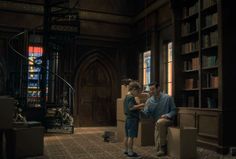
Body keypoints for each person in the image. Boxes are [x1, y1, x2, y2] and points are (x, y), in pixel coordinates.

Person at [142, 81, 176, 156]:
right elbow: (146, 115)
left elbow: (174, 111)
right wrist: (141, 110)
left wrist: (167, 115)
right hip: (157, 123)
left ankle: (162, 148)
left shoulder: (168, 98)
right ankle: (160, 147)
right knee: (159, 123)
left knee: (160, 122)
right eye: (150, 89)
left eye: (153, 89)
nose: (151, 91)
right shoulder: (149, 101)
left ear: (158, 88)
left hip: (168, 120)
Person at [123, 81, 144, 157]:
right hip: (132, 119)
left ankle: (126, 150)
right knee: (131, 137)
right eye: (137, 91)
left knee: (127, 136)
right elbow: (131, 107)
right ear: (134, 89)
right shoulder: (131, 97)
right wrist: (141, 105)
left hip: (128, 118)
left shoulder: (126, 96)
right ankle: (130, 152)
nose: (138, 94)